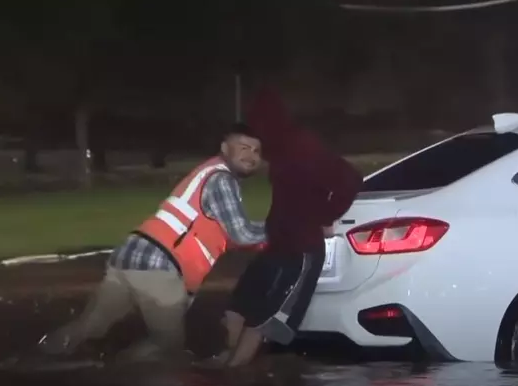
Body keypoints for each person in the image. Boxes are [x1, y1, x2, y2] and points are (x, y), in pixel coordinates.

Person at [36, 123, 268, 363]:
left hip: (131, 255)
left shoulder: (209, 173)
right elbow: (243, 234)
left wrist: (268, 233)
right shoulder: (222, 180)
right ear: (224, 148)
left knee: (88, 326)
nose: (251, 155)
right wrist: (286, 229)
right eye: (243, 147)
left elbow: (229, 236)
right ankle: (120, 375)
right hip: (159, 265)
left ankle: (37, 358)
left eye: (256, 151)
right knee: (167, 345)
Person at [213, 87, 362, 367]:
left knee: (267, 318)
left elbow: (351, 179)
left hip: (301, 251)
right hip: (277, 246)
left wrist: (325, 216)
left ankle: (234, 375)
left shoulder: (303, 147)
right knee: (240, 304)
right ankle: (224, 363)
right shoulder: (280, 150)